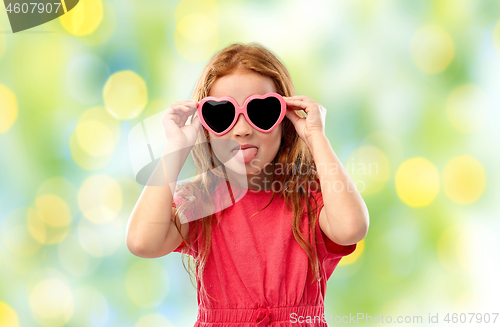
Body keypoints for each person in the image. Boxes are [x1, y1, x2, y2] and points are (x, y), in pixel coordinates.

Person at [126, 42, 369, 326]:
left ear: (285, 119)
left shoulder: (309, 198)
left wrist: (316, 137)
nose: (242, 130)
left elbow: (352, 227)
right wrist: (175, 148)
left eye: (262, 112)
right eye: (222, 115)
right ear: (205, 127)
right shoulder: (201, 199)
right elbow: (141, 241)